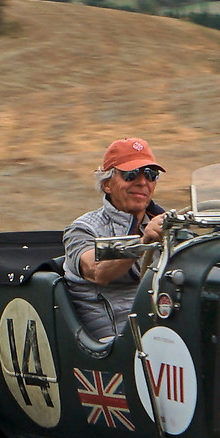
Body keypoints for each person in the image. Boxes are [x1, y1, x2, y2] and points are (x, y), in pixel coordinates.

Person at [62, 137, 167, 342]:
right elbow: (97, 270)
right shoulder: (83, 229)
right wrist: (142, 242)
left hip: (161, 331)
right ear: (107, 184)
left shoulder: (165, 224)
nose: (142, 182)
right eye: (131, 174)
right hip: (113, 343)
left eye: (150, 174)